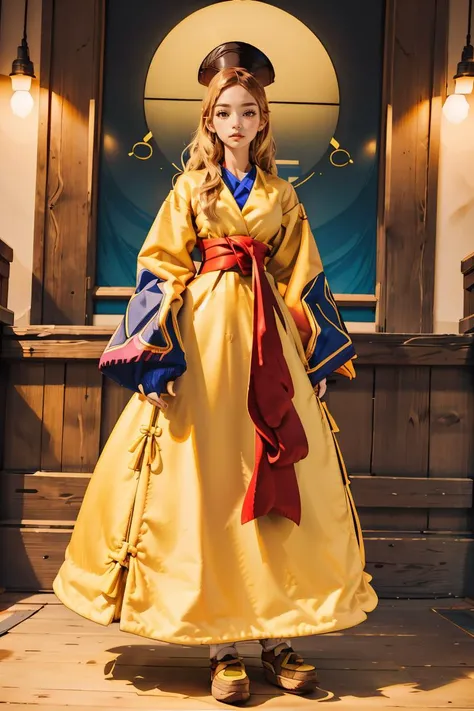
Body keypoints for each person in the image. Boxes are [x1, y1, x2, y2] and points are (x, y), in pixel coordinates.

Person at [53, 43, 378, 705]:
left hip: (271, 352)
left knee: (280, 477)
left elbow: (302, 275)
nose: (235, 122)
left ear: (262, 123)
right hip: (202, 354)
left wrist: (316, 361)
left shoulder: (282, 195)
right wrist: (157, 359)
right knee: (206, 486)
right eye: (224, 112)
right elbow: (161, 268)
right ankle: (220, 643)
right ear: (210, 122)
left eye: (248, 111)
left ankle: (280, 632)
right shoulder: (189, 190)